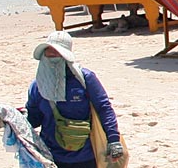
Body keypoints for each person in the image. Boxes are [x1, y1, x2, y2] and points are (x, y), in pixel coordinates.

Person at [25, 31, 124, 168]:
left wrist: (114, 140)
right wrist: (14, 118)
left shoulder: (85, 79)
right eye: (49, 50)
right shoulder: (37, 86)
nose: (52, 54)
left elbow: (104, 108)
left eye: (57, 51)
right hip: (51, 156)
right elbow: (34, 119)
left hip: (86, 156)